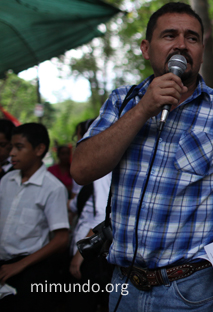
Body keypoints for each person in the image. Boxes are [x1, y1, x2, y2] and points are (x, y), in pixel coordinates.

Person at [71, 1, 213, 312]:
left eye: (192, 38)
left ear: (201, 50)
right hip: (124, 287)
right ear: (146, 48)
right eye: (169, 35)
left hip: (193, 291)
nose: (181, 44)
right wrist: (143, 109)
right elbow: (82, 169)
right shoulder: (121, 101)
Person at [0, 123, 70, 312]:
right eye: (11, 147)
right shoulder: (7, 180)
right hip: (3, 267)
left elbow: (62, 238)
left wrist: (18, 266)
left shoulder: (52, 188)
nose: (12, 153)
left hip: (29, 269)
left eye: (19, 147)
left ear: (39, 149)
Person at [65, 118, 112, 312]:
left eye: (80, 137)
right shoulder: (90, 173)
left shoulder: (102, 171)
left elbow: (102, 216)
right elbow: (77, 206)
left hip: (91, 256)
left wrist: (80, 253)